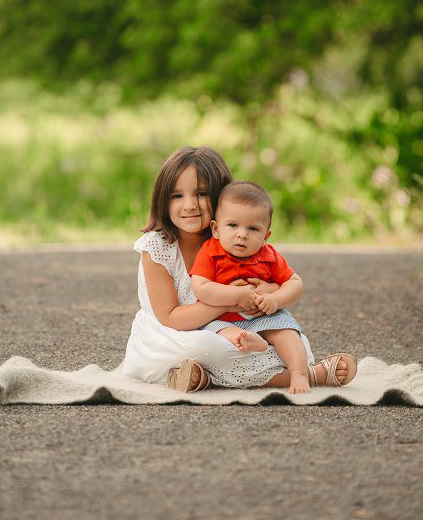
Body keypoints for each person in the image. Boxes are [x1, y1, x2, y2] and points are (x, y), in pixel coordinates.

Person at [116, 146, 355, 392]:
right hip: (173, 333)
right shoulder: (157, 248)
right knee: (206, 347)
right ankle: (311, 375)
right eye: (177, 196)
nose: (189, 205)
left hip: (236, 324)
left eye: (201, 194)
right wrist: (230, 302)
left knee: (295, 341)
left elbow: (275, 280)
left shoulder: (231, 237)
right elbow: (170, 318)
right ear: (162, 200)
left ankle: (203, 378)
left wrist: (267, 291)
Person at [188, 181, 326, 393]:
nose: (242, 234)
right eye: (233, 225)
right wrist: (235, 294)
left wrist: (276, 299)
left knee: (287, 332)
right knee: (219, 339)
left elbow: (295, 283)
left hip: (264, 315)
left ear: (266, 236)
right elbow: (200, 287)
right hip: (222, 320)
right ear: (215, 229)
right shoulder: (210, 252)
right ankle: (252, 342)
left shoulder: (268, 255)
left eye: (253, 228)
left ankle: (299, 374)